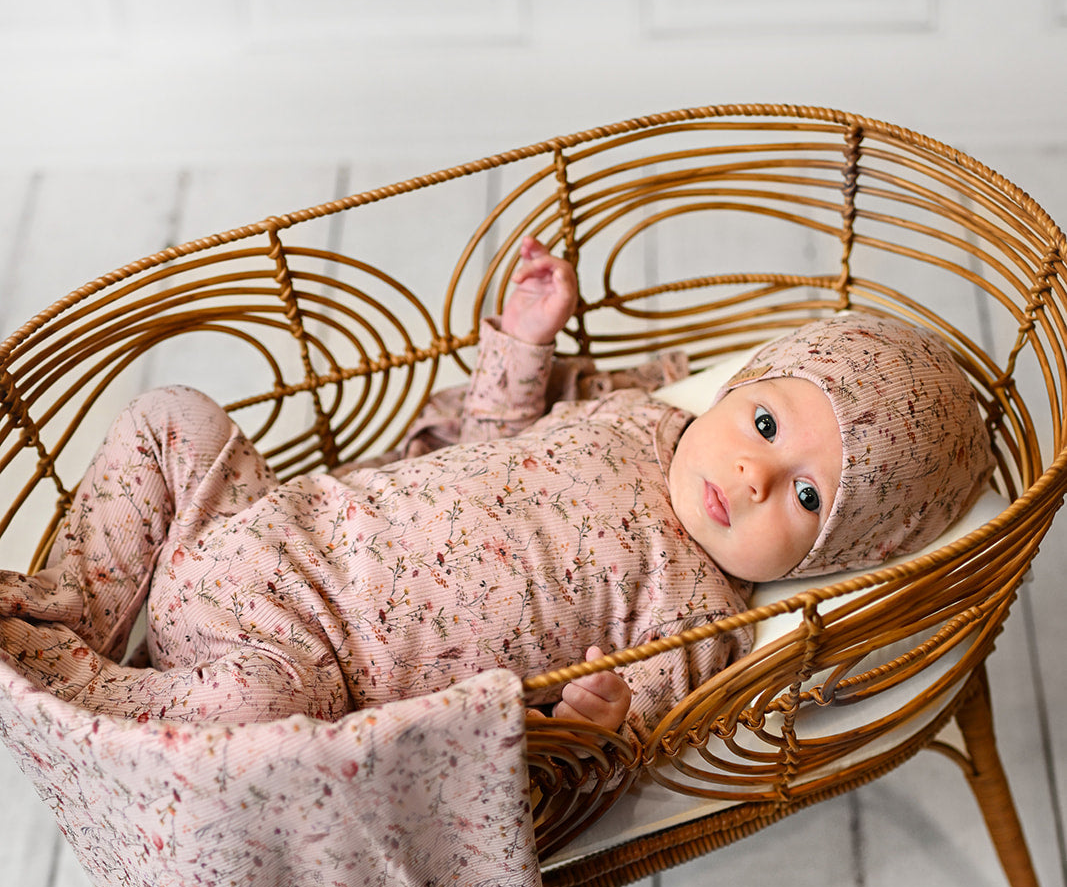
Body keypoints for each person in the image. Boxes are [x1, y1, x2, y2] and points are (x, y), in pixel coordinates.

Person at [0, 240, 995, 744]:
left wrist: (593, 718)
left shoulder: (699, 617)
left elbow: (600, 756)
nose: (751, 473)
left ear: (831, 559)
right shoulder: (636, 416)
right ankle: (68, 606)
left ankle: (84, 688)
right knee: (176, 412)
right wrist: (523, 345)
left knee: (266, 711)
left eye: (806, 498)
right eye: (765, 426)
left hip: (300, 655)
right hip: (270, 527)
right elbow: (490, 440)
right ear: (736, 388)